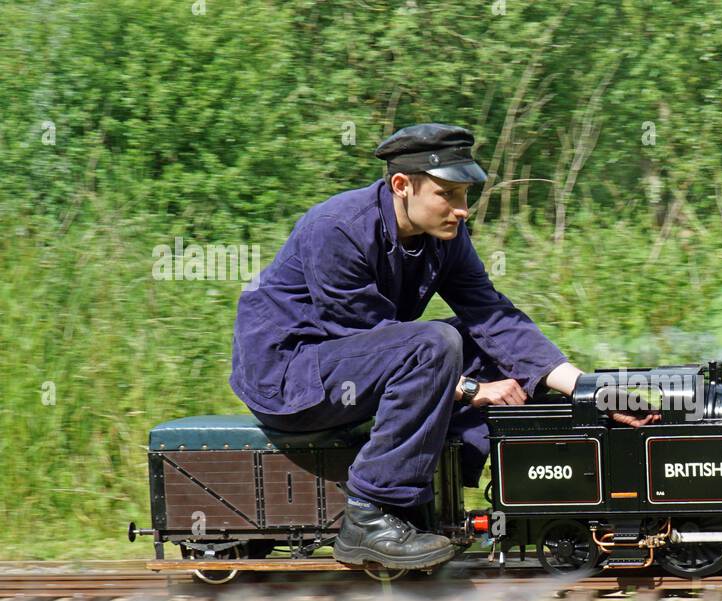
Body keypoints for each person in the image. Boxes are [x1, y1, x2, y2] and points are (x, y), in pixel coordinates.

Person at [229, 123, 653, 570]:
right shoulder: (337, 229)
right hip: (291, 378)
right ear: (401, 185)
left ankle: (456, 497)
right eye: (447, 194)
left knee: (482, 344)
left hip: (357, 362)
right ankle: (369, 516)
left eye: (465, 195)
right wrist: (471, 390)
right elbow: (360, 336)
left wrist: (587, 390)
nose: (462, 209)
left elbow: (492, 316)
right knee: (435, 343)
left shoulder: (444, 236)